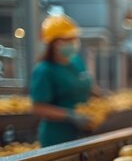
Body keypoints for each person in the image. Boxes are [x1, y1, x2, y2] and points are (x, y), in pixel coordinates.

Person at [29, 15, 93, 147]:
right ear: (55, 44)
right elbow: (38, 108)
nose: (74, 42)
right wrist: (70, 115)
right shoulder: (44, 70)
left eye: (75, 38)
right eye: (69, 39)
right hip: (57, 136)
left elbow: (82, 85)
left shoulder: (76, 62)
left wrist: (101, 95)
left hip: (83, 132)